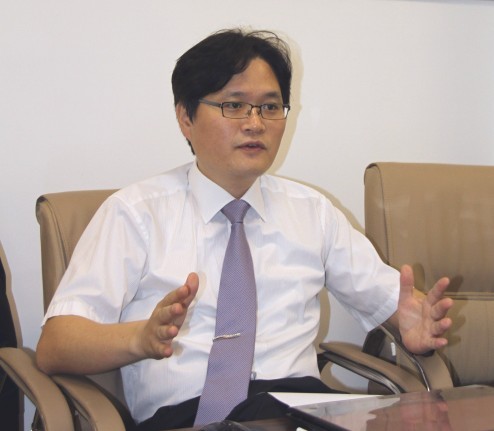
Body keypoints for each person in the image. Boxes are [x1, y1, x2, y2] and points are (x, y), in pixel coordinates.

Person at [36, 28, 453, 430]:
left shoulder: (312, 212)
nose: (255, 123)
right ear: (185, 117)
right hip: (187, 418)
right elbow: (55, 345)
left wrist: (412, 323)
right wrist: (138, 340)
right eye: (234, 105)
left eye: (270, 107)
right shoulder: (135, 214)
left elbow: (395, 305)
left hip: (298, 412)